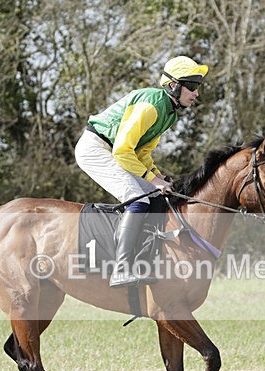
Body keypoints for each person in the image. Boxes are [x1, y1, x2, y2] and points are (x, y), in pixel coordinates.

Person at [75, 55, 209, 287]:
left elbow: (142, 153)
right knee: (137, 198)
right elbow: (123, 151)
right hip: (95, 148)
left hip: (115, 150)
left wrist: (158, 177)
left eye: (198, 86)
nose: (196, 93)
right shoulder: (151, 106)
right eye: (192, 86)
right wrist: (153, 179)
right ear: (173, 86)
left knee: (157, 196)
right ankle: (121, 269)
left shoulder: (169, 113)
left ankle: (142, 262)